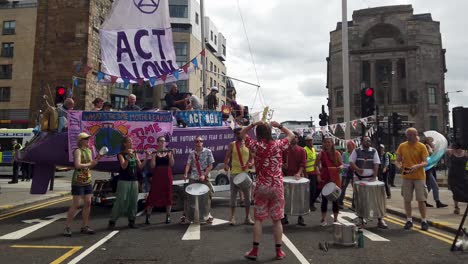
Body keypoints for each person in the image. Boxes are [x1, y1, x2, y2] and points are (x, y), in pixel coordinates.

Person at [241, 121, 294, 261]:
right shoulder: (278, 145)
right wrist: (279, 126)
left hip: (262, 187)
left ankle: (254, 250)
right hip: (277, 186)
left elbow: (242, 133)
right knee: (277, 221)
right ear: (270, 133)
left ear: (258, 134)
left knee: (259, 219)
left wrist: (253, 124)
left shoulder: (256, 146)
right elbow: (292, 135)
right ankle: (278, 252)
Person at [63, 132, 101, 237]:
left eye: (88, 139)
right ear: (81, 141)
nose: (88, 140)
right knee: (76, 204)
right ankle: (67, 227)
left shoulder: (89, 150)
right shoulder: (77, 151)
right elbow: (77, 165)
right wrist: (90, 164)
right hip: (78, 180)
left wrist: (94, 163)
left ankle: (85, 226)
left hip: (87, 179)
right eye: (86, 139)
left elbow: (90, 166)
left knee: (88, 203)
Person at [108, 137, 150, 229]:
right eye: (129, 142)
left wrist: (147, 157)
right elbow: (123, 166)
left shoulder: (134, 153)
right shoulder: (120, 154)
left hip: (134, 180)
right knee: (121, 201)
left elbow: (140, 166)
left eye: (132, 142)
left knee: (133, 201)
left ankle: (131, 221)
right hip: (123, 181)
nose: (131, 144)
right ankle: (112, 221)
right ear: (124, 144)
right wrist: (128, 157)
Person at [350, 136, 388, 229]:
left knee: (376, 199)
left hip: (371, 178)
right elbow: (351, 162)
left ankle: (380, 220)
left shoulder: (374, 151)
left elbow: (376, 164)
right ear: (362, 142)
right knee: (360, 199)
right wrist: (358, 169)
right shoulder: (356, 151)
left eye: (369, 141)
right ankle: (361, 220)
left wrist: (374, 176)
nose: (368, 142)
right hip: (359, 178)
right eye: (366, 141)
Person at [396, 128, 430, 231]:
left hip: (419, 176)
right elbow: (397, 160)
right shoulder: (402, 146)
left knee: (421, 199)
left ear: (416, 135)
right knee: (407, 200)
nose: (409, 137)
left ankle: (423, 221)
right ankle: (409, 220)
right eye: (407, 135)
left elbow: (425, 162)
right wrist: (400, 167)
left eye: (411, 135)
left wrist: (417, 166)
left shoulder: (421, 146)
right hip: (406, 176)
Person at [223, 127, 254, 226]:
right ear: (235, 134)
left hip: (245, 173)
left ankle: (247, 217)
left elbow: (252, 158)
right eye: (237, 133)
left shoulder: (249, 144)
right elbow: (227, 157)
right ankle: (232, 217)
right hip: (234, 173)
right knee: (233, 196)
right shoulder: (232, 145)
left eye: (241, 133)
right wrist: (226, 165)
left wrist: (250, 164)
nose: (239, 134)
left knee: (248, 198)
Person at [181, 136, 215, 224]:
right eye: (196, 141)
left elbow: (211, 165)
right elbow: (188, 164)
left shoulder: (208, 152)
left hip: (204, 177)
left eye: (200, 141)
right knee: (189, 197)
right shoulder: (192, 153)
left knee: (206, 197)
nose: (198, 143)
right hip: (193, 177)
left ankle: (207, 216)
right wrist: (185, 174)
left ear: (203, 142)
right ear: (194, 143)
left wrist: (204, 175)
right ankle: (188, 217)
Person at [145, 136, 175, 224]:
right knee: (153, 194)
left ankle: (168, 216)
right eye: (161, 141)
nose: (162, 143)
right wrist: (153, 156)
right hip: (158, 176)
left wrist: (171, 155)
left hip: (167, 175)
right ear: (157, 143)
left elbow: (172, 164)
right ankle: (148, 216)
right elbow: (152, 166)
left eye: (164, 141)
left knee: (168, 194)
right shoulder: (155, 152)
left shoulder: (168, 152)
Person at [316, 137, 343, 226]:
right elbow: (315, 166)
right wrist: (318, 175)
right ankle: (323, 219)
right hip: (325, 178)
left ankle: (335, 219)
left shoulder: (337, 154)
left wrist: (340, 168)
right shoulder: (321, 154)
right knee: (324, 200)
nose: (327, 144)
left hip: (335, 178)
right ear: (324, 144)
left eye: (329, 142)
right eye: (325, 142)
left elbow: (341, 165)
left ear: (332, 144)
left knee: (335, 200)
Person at [281, 131, 307, 226]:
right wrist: (282, 165)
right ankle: (284, 216)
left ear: (297, 139)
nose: (293, 138)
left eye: (295, 137)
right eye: (292, 136)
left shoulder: (301, 150)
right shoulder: (284, 150)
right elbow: (280, 161)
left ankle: (300, 217)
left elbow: (303, 164)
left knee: (299, 197)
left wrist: (299, 173)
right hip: (286, 176)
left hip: (297, 176)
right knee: (285, 197)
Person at [423, 138, 448, 208]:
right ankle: (437, 202)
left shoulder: (430, 147)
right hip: (427, 169)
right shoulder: (425, 146)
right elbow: (430, 155)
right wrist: (432, 149)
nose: (432, 142)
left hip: (431, 168)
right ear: (427, 141)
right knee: (435, 186)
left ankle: (423, 201)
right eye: (431, 141)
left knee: (429, 187)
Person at [446, 142, 468, 215]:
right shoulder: (451, 152)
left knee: (465, 191)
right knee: (455, 192)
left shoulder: (466, 153)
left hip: (463, 175)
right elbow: (445, 149)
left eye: (454, 148)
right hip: (453, 176)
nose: (454, 150)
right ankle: (456, 207)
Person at [338, 140, 356, 208]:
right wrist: (348, 166)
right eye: (348, 146)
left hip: (354, 174)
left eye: (350, 146)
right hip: (345, 174)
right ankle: (340, 202)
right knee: (343, 188)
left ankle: (354, 204)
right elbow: (341, 163)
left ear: (353, 146)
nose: (348, 147)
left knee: (355, 189)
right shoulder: (344, 154)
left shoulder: (355, 154)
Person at [304, 135, 319, 211]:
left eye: (311, 140)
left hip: (314, 172)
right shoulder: (304, 150)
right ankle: (310, 205)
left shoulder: (313, 149)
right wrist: (305, 174)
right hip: (308, 173)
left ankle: (311, 203)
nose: (310, 142)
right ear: (306, 142)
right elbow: (303, 163)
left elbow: (315, 161)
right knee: (311, 190)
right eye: (309, 141)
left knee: (315, 189)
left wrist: (318, 171)